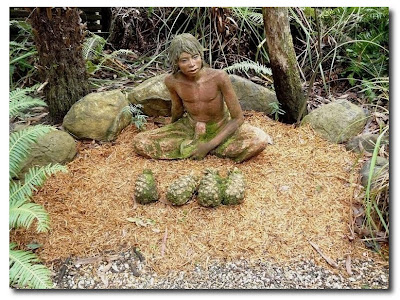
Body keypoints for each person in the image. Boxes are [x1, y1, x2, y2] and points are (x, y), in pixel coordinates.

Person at [133, 33, 271, 163]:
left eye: (195, 57)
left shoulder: (219, 77)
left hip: (221, 126)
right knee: (141, 141)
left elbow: (238, 118)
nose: (192, 64)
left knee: (259, 139)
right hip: (191, 127)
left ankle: (203, 148)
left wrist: (209, 145)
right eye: (184, 60)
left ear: (201, 56)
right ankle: (208, 148)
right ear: (176, 63)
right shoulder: (172, 81)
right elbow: (177, 109)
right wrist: (171, 127)